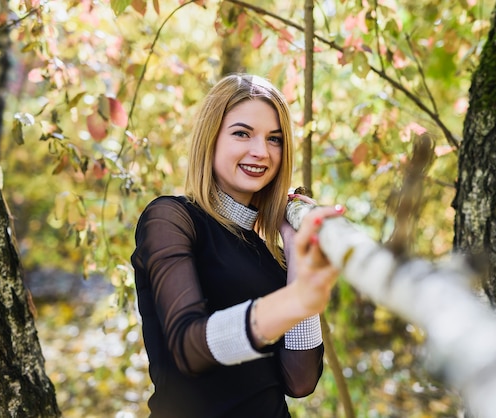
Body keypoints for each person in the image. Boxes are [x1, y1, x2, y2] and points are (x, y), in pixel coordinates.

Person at [131, 74, 344, 418]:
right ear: (211, 138)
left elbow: (300, 382)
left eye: (274, 139)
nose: (261, 152)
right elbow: (189, 349)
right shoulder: (170, 219)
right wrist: (294, 300)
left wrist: (294, 253)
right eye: (242, 133)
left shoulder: (269, 255)